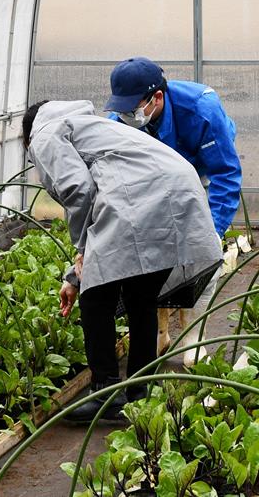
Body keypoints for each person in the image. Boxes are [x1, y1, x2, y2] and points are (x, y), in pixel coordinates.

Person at [22, 100, 222, 423]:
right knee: (140, 295)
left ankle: (106, 393)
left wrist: (82, 254)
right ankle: (139, 393)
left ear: (27, 138)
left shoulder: (44, 136)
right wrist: (75, 273)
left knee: (95, 297)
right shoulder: (85, 124)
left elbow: (79, 190)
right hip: (175, 185)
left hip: (146, 196)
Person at [105, 57, 242, 366]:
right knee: (152, 246)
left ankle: (194, 333)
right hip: (157, 172)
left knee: (200, 249)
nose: (126, 115)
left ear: (157, 98)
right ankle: (160, 331)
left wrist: (210, 233)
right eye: (121, 109)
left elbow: (225, 174)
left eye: (132, 108)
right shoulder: (123, 122)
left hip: (200, 164)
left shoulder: (201, 111)